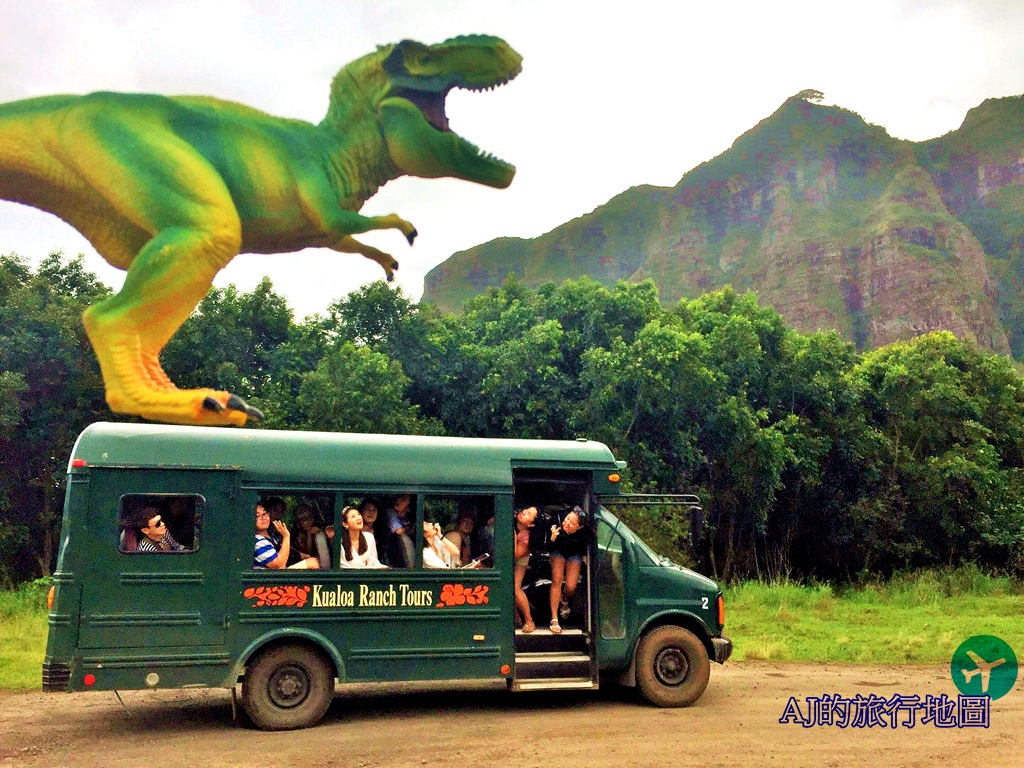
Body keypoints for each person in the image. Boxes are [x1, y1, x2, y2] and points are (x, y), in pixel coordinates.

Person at [547, 506, 588, 634]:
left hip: (574, 553)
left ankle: (564, 600)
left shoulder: (584, 532)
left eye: (572, 523)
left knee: (571, 586)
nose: (567, 523)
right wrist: (553, 537)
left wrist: (585, 558)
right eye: (567, 518)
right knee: (557, 580)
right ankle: (554, 618)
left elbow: (584, 546)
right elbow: (545, 546)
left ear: (579, 527)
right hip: (557, 550)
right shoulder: (556, 521)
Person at [254, 502, 319, 570]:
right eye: (257, 516)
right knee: (313, 563)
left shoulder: (271, 536)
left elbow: (282, 550)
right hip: (272, 578)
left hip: (278, 575)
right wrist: (286, 536)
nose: (263, 518)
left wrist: (302, 556)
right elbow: (279, 566)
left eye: (265, 513)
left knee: (314, 560)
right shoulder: (258, 541)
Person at [513, 506, 538, 632]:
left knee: (515, 588)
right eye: (525, 510)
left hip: (520, 559)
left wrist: (513, 535)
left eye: (529, 514)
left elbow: (516, 554)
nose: (524, 512)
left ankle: (529, 620)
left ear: (531, 524)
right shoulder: (510, 520)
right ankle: (516, 619)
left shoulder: (528, 536)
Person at [293, 504, 331, 569]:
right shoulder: (295, 533)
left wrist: (310, 534)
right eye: (301, 520)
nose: (304, 523)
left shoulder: (320, 533)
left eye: (307, 519)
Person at [383, 494, 415, 569]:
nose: (399, 500)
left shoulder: (410, 516)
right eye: (400, 498)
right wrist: (408, 528)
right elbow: (398, 531)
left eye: (404, 499)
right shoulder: (391, 512)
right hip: (391, 553)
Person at [358, 497, 386, 564]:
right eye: (368, 509)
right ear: (361, 512)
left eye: (374, 510)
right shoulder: (355, 530)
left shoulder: (382, 531)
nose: (371, 513)